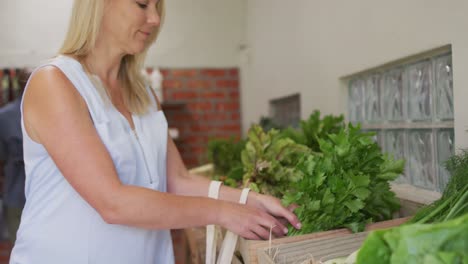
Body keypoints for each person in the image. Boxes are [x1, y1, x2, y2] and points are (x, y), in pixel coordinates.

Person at [9, 0, 300, 263]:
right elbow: (113, 202)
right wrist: (222, 212)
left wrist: (247, 199)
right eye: (142, 4)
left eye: (157, 7)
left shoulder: (143, 93)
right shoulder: (56, 83)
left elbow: (176, 180)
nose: (155, 19)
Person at [0, 69, 30, 244]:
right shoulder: (53, 113)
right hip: (47, 194)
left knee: (18, 246)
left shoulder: (4, 116)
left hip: (14, 191)